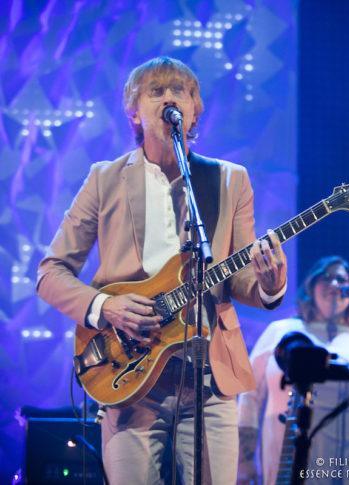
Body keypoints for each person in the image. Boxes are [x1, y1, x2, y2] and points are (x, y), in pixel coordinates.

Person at [36, 56, 288, 484]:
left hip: (211, 378)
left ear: (194, 109)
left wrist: (269, 285)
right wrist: (105, 306)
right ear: (134, 110)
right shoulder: (105, 178)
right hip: (129, 373)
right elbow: (50, 272)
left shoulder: (229, 180)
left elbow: (238, 279)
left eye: (181, 91)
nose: (169, 97)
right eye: (156, 90)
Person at [237, 255, 349, 484]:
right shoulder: (282, 331)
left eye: (341, 278)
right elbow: (250, 396)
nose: (334, 284)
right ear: (311, 286)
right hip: (288, 464)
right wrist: (244, 461)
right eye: (326, 277)